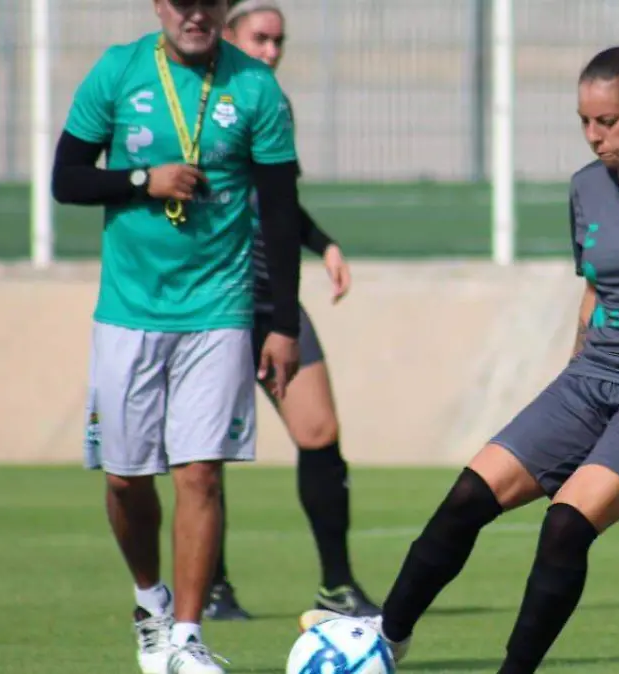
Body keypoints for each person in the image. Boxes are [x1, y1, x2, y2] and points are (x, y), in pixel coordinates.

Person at [301, 34, 619, 672]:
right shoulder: (586, 188)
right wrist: (574, 373)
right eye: (584, 123)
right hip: (594, 378)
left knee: (565, 524)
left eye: (609, 121)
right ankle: (383, 643)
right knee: (465, 499)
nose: (595, 137)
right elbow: (597, 284)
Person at [52, 0, 303, 671]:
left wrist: (282, 325)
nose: (196, 14)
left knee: (200, 475)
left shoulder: (255, 87)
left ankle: (188, 639)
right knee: (127, 481)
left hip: (218, 310)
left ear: (223, 9)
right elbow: (65, 179)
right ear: (159, 5)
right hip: (128, 312)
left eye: (209, 2)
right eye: (183, 1)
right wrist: (143, 180)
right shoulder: (119, 71)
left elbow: (281, 212)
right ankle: (151, 604)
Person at [202, 0, 381, 623]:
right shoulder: (197, 104)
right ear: (228, 35)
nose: (272, 51)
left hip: (273, 297)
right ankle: (211, 588)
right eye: (261, 38)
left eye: (280, 40)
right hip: (211, 298)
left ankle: (338, 585)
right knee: (206, 448)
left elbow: (280, 205)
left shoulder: (272, 104)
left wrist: (323, 242)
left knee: (319, 432)